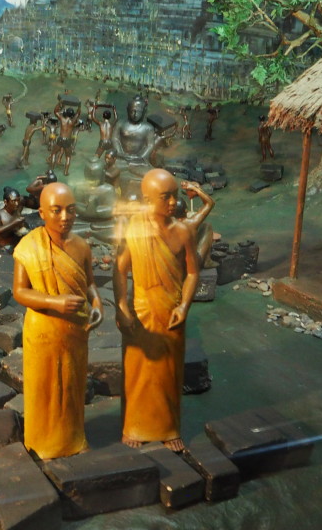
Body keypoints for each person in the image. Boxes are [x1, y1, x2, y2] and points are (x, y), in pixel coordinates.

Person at [12, 182, 102, 460]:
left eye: (71, 210)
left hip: (75, 330)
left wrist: (97, 304)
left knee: (72, 387)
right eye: (57, 210)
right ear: (42, 213)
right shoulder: (29, 247)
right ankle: (42, 443)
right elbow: (19, 292)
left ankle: (74, 438)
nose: (65, 217)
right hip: (43, 330)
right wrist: (54, 302)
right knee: (44, 389)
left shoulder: (82, 246)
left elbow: (89, 284)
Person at [114, 168, 199, 452]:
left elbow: (192, 273)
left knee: (168, 372)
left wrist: (184, 306)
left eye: (175, 195)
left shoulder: (183, 231)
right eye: (166, 197)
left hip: (171, 311)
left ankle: (168, 428)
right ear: (148, 199)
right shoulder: (133, 229)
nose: (173, 202)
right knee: (138, 371)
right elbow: (120, 270)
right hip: (141, 311)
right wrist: (121, 306)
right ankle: (134, 426)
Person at [112, 95, 156, 167]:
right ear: (128, 110)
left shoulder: (148, 128)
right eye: (132, 111)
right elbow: (115, 139)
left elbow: (150, 145)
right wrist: (120, 153)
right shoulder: (120, 123)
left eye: (139, 111)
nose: (135, 114)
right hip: (121, 157)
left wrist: (140, 156)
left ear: (144, 111)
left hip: (139, 160)